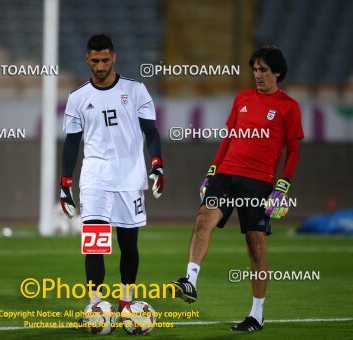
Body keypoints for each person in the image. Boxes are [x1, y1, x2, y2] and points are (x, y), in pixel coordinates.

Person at [170, 45, 304, 332]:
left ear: (277, 73)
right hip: (227, 174)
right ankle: (189, 281)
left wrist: (282, 187)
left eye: (263, 70)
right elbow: (228, 138)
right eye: (254, 69)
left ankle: (256, 315)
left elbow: (293, 151)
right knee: (202, 219)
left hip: (258, 182)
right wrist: (211, 171)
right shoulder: (242, 99)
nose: (257, 75)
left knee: (255, 245)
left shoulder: (288, 107)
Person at [59, 34, 163, 311]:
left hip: (130, 178)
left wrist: (157, 164)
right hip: (94, 178)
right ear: (87, 59)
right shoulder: (78, 98)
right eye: (95, 60)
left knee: (128, 245)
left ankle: (126, 302)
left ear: (114, 57)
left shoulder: (136, 90)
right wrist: (65, 184)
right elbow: (71, 142)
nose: (101, 66)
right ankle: (95, 305)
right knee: (95, 243)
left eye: (105, 60)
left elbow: (150, 132)